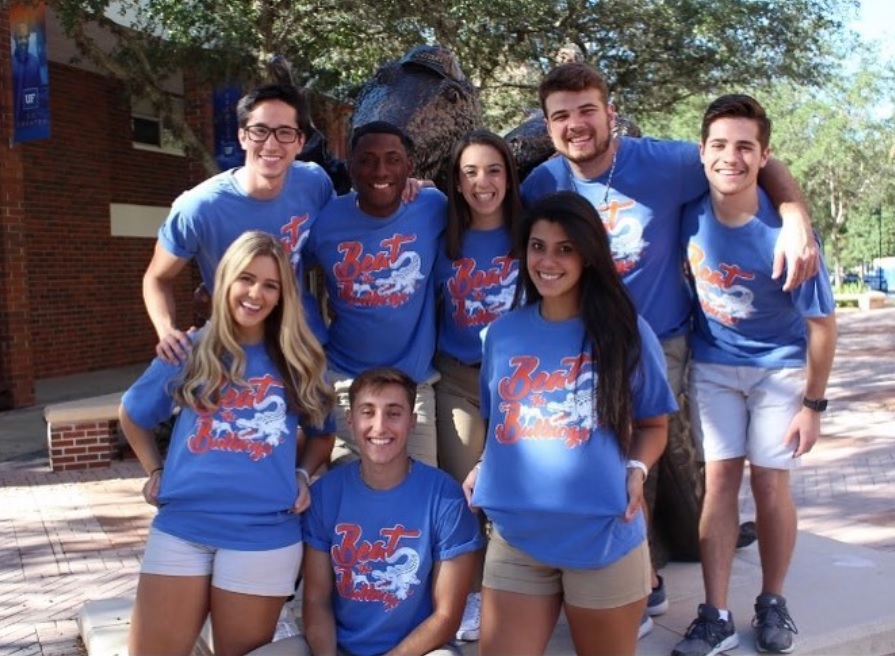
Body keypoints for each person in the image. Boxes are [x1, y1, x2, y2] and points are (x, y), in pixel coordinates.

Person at [520, 61, 820, 628]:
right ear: (548, 124)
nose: (576, 124)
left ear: (610, 113)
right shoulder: (543, 185)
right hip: (586, 341)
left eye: (587, 109)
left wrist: (795, 213)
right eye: (561, 115)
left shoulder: (665, 162)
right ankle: (640, 576)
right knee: (598, 458)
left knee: (649, 459)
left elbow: (752, 156)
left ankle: (640, 584)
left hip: (663, 338)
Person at [463, 191, 677, 656]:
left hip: (602, 536)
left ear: (587, 254)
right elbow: (500, 421)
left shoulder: (625, 333)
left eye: (565, 248)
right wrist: (485, 464)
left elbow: (654, 426)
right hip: (517, 537)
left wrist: (636, 471)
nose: (548, 261)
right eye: (538, 246)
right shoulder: (500, 335)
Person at [672, 95, 836, 656]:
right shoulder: (687, 212)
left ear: (764, 155)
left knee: (770, 484)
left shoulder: (788, 234)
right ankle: (715, 613)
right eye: (719, 145)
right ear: (702, 151)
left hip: (779, 370)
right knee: (719, 482)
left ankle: (772, 601)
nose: (731, 157)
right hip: (714, 366)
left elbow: (822, 326)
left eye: (745, 146)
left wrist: (813, 406)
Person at [119, 231, 336, 656]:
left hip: (263, 534)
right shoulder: (189, 350)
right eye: (246, 279)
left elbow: (322, 432)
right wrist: (154, 471)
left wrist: (302, 474)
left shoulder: (298, 359)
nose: (255, 293)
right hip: (183, 526)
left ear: (282, 296)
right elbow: (133, 413)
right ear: (226, 282)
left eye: (270, 285)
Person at [249, 366, 485, 656]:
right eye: (368, 412)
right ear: (350, 419)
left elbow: (446, 617)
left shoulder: (445, 497)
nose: (380, 426)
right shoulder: (325, 495)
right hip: (337, 648)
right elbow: (316, 600)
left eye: (394, 413)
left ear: (412, 422)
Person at [143, 82, 334, 364]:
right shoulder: (198, 208)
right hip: (235, 356)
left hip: (304, 347)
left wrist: (408, 190)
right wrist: (167, 331)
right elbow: (157, 278)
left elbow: (342, 236)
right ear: (242, 137)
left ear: (300, 142)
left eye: (284, 133)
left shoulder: (314, 183)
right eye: (259, 131)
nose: (271, 144)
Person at [306, 121, 447, 467]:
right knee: (349, 499)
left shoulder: (432, 206)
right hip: (345, 384)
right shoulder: (325, 222)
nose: (380, 170)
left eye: (392, 159)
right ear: (350, 166)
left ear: (408, 167)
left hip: (413, 385)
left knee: (419, 495)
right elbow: (286, 278)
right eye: (367, 160)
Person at [433, 129, 524, 641]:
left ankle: (520, 590)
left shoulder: (529, 230)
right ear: (457, 181)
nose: (482, 182)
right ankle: (474, 597)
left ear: (509, 175)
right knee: (470, 489)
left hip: (520, 383)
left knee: (514, 490)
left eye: (492, 170)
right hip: (460, 379)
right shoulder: (440, 229)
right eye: (470, 172)